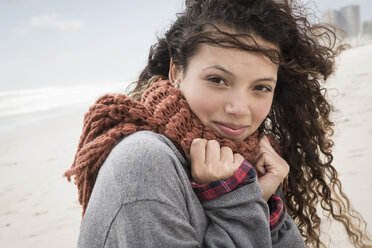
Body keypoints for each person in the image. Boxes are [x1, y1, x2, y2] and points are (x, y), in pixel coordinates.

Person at [65, 0, 372, 247]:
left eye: (260, 87)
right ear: (176, 72)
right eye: (217, 80)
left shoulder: (244, 163)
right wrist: (237, 204)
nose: (239, 109)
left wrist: (262, 202)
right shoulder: (144, 161)